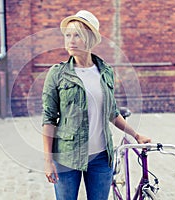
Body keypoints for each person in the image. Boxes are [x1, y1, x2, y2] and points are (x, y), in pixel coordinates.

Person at [42, 10, 151, 200]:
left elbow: (112, 113)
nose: (71, 41)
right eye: (68, 35)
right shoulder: (57, 73)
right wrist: (48, 160)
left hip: (101, 157)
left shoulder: (105, 72)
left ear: (90, 39)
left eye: (77, 35)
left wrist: (136, 135)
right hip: (67, 156)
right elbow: (49, 119)